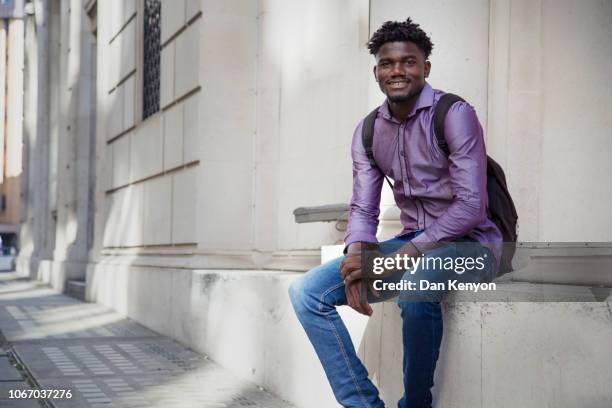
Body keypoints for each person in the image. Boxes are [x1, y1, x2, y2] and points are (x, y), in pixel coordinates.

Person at [288, 17, 503, 408]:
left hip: (472, 246)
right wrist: (356, 259)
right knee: (307, 292)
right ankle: (362, 404)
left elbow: (472, 205)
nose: (397, 71)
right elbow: (363, 207)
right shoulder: (369, 130)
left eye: (408, 62)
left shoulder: (454, 114)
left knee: (415, 286)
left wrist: (410, 252)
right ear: (377, 71)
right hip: (413, 243)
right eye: (388, 63)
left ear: (426, 67)